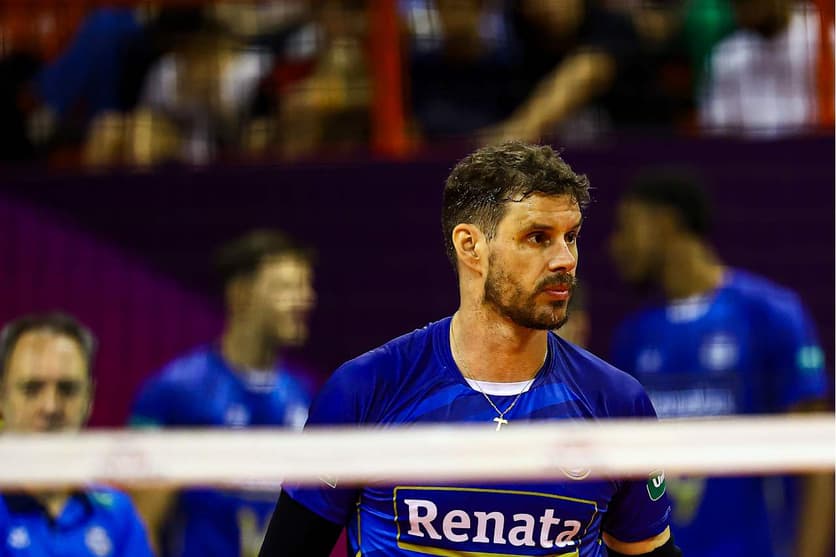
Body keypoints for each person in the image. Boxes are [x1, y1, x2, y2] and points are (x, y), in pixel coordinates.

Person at [259, 142, 681, 557]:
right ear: (470, 246)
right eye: (538, 237)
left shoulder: (616, 403)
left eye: (570, 237)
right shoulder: (366, 391)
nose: (564, 259)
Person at [608, 169, 832, 557]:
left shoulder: (770, 313)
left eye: (628, 227)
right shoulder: (632, 336)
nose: (617, 246)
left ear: (665, 224)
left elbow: (817, 461)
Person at [129, 230, 317, 557]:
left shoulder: (303, 394)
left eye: (306, 286)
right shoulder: (176, 390)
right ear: (241, 294)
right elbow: (141, 522)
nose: (306, 299)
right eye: (288, 287)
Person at [0, 312, 154, 557]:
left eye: (67, 389)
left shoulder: (118, 514)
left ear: (89, 399)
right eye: (31, 388)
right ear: (2, 397)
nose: (50, 406)